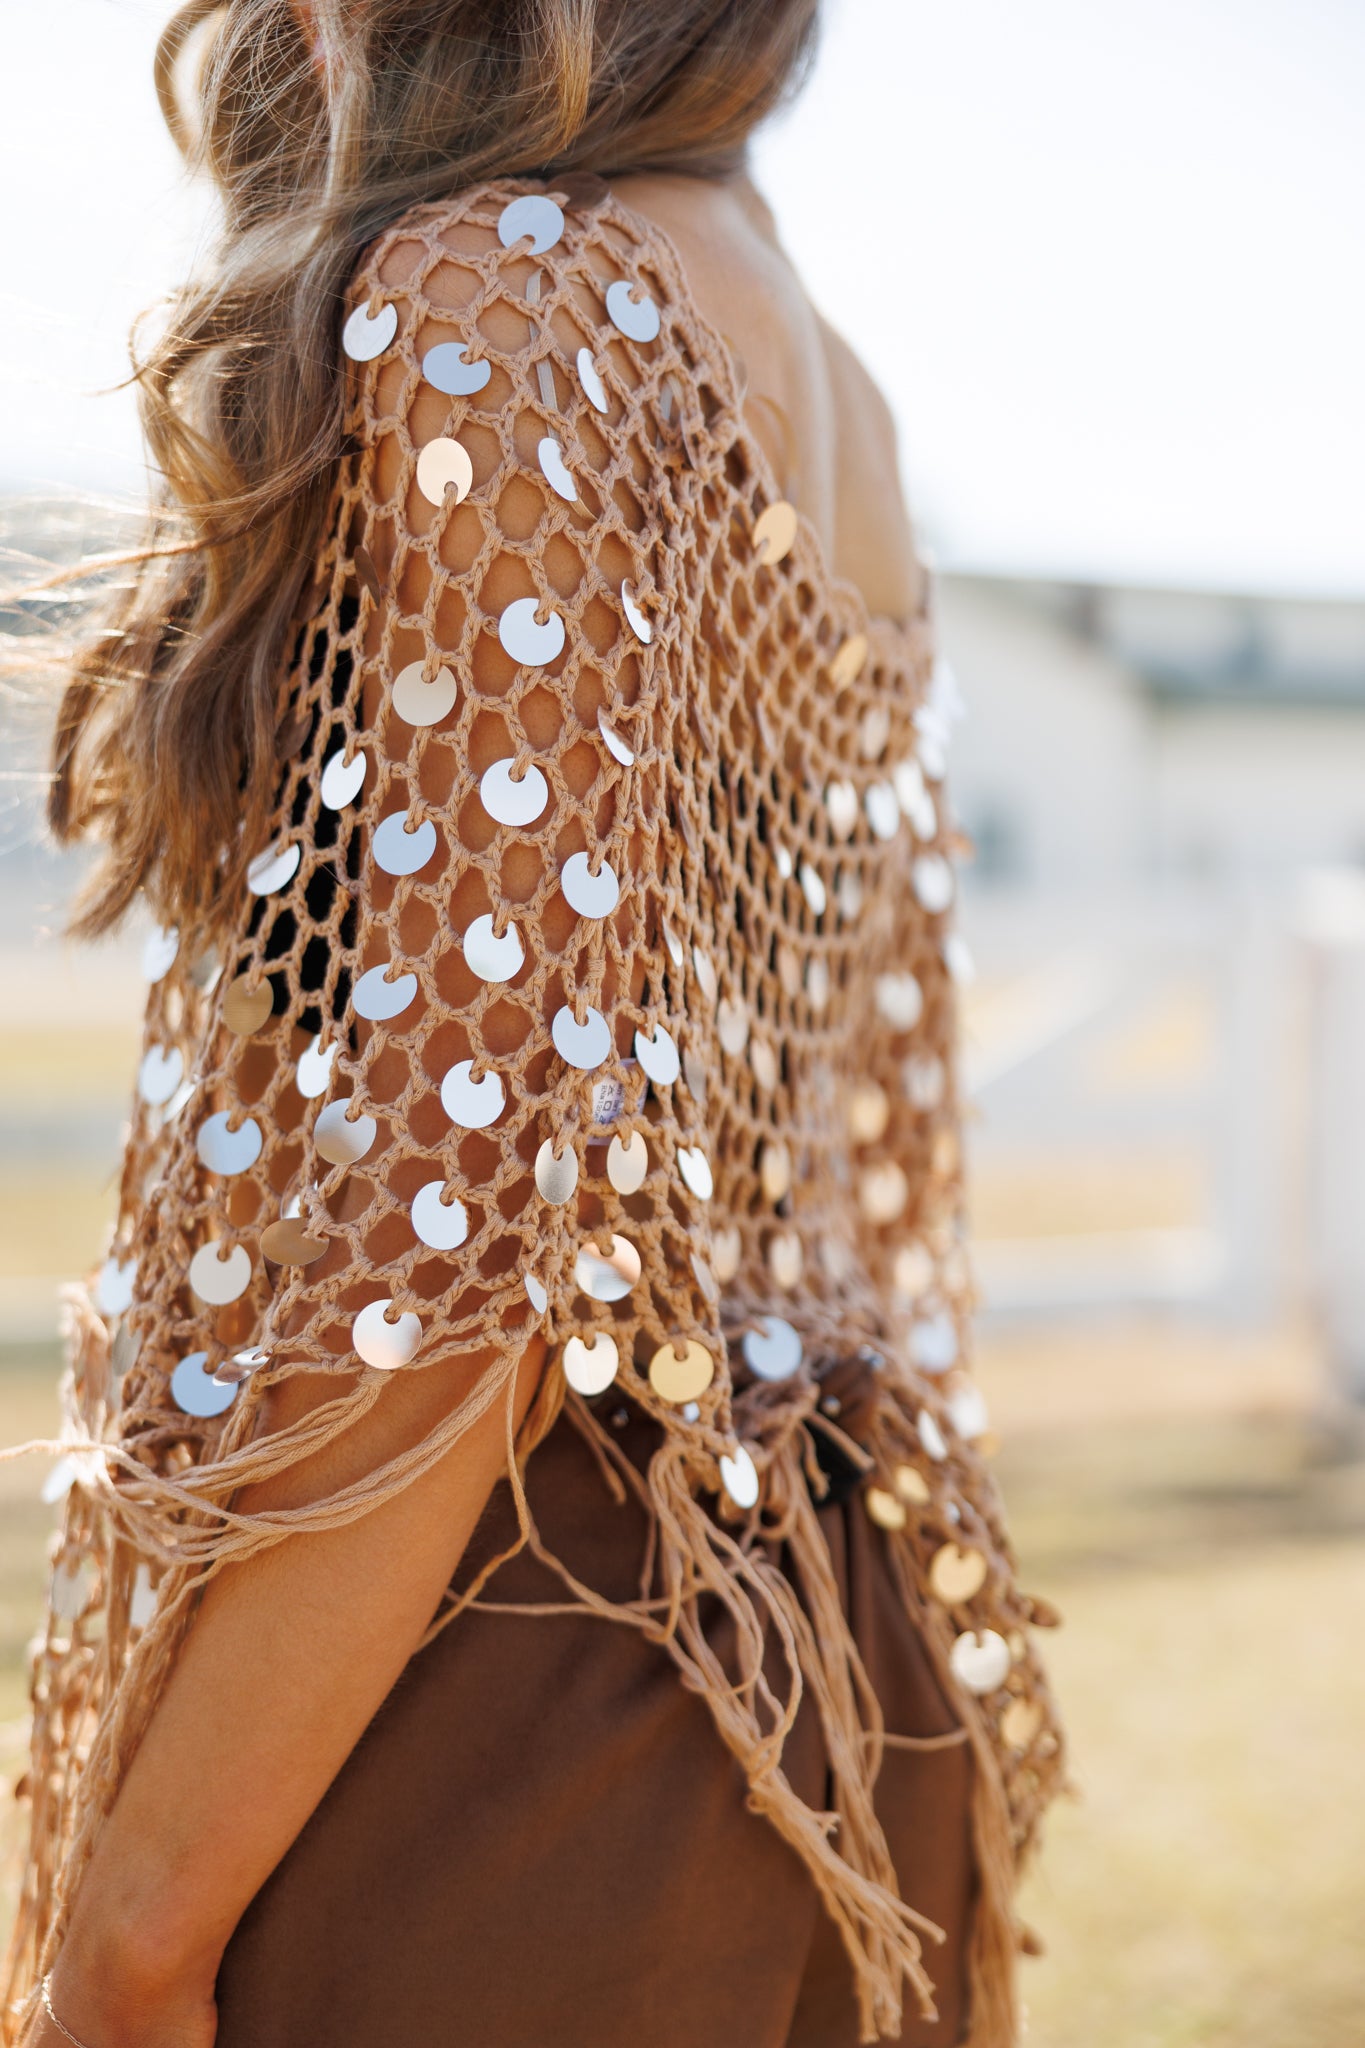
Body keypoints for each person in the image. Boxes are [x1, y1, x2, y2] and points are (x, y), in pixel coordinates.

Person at [6, 3, 1064, 2044]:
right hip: (828, 1647)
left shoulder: (508, 289)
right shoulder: (810, 353)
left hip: (506, 1694)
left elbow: (476, 1193)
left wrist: (139, 1918)